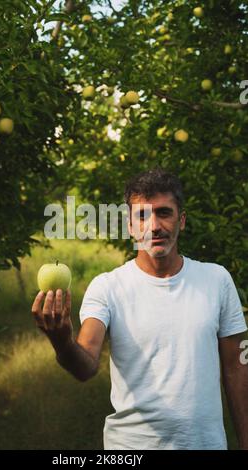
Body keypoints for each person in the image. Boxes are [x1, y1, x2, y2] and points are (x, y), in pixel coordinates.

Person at [31, 167, 248, 450]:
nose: (154, 225)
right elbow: (85, 366)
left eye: (164, 213)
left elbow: (237, 367)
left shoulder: (217, 279)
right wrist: (61, 341)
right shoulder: (107, 287)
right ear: (130, 227)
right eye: (142, 215)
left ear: (181, 220)